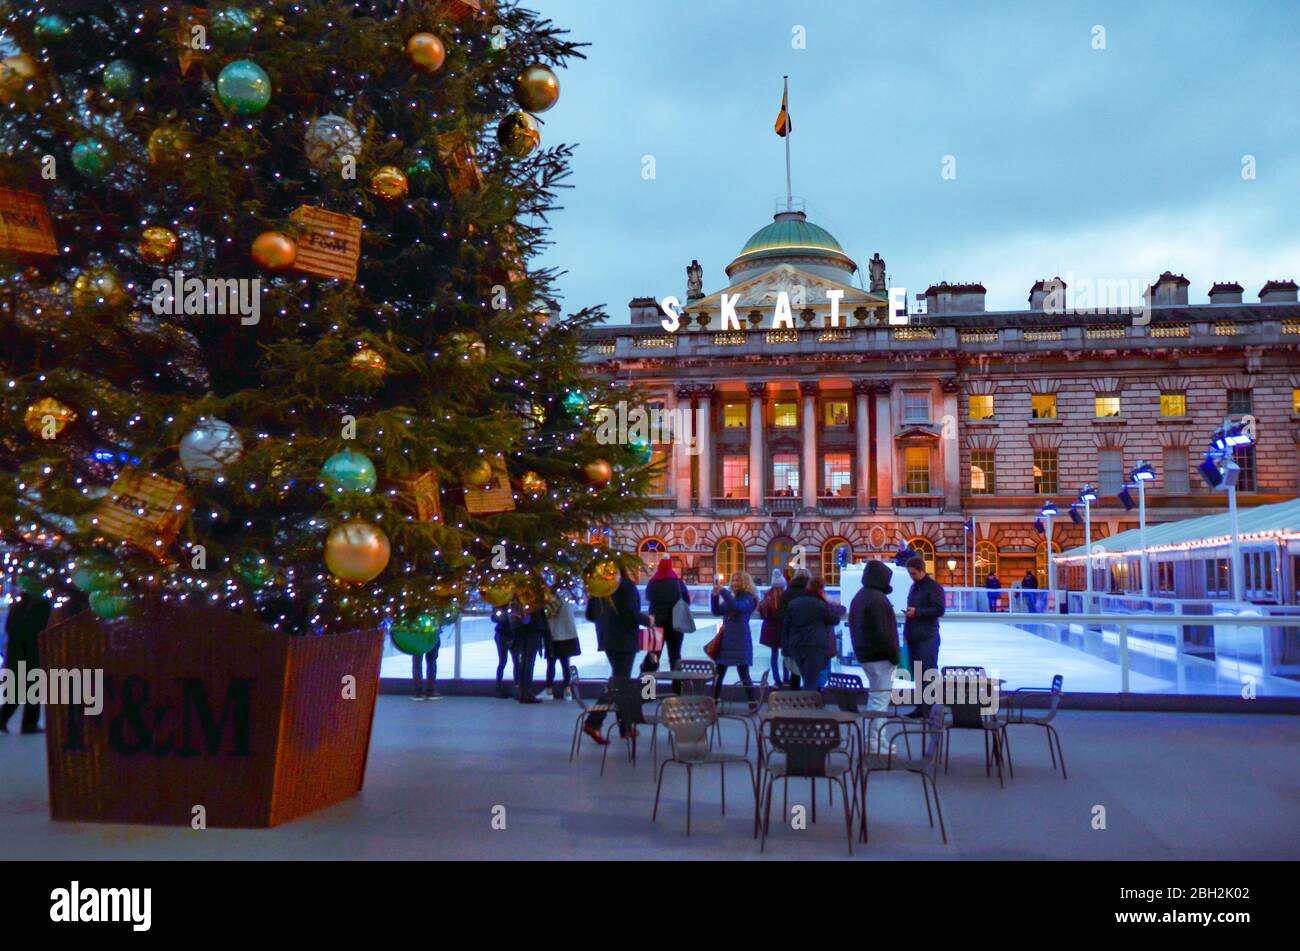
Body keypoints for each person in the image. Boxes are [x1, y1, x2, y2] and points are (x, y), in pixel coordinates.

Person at [583, 565, 651, 745]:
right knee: (618, 683)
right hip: (624, 640)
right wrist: (648, 620)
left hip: (606, 639)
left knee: (621, 682)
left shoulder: (600, 586)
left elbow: (590, 615)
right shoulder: (626, 585)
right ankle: (593, 721)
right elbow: (630, 614)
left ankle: (625, 727)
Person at [848, 560, 900, 752]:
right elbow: (883, 633)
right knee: (879, 702)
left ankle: (877, 739)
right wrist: (894, 655)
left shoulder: (860, 597)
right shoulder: (878, 599)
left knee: (876, 699)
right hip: (880, 657)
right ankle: (875, 743)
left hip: (866, 655)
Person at [780, 569, 844, 689]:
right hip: (815, 646)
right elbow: (834, 619)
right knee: (811, 681)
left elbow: (786, 626)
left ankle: (799, 703)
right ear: (821, 589)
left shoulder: (794, 603)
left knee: (802, 675)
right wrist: (832, 603)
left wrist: (785, 647)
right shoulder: (821, 605)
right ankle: (809, 705)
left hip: (797, 645)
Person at [0, 589, 52, 735]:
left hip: (16, 651)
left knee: (17, 689)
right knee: (32, 688)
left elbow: (9, 628)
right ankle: (29, 723)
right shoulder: (42, 606)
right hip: (31, 651)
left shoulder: (17, 606)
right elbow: (43, 628)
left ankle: (4, 718)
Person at [903, 556, 945, 718]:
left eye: (913, 573)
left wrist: (917, 613)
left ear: (922, 570)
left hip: (927, 637)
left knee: (927, 673)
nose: (911, 576)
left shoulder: (933, 587)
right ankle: (922, 708)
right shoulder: (915, 586)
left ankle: (928, 710)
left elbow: (939, 609)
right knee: (919, 674)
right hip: (916, 636)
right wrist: (907, 633)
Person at [710, 571, 757, 702]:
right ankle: (714, 700)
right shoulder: (734, 597)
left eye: (738, 580)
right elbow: (717, 611)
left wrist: (723, 592)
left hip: (740, 641)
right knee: (719, 673)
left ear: (745, 583)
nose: (735, 583)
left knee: (743, 673)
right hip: (726, 641)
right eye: (734, 581)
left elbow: (737, 608)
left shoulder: (749, 598)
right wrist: (714, 596)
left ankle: (752, 701)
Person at [644, 557, 690, 692]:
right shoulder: (678, 582)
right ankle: (677, 691)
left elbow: (648, 597)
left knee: (652, 656)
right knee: (675, 656)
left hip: (656, 624)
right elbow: (686, 600)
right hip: (676, 624)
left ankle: (647, 693)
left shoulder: (653, 582)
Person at [807, 577, 846, 688]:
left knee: (809, 673)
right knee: (824, 669)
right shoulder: (824, 604)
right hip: (823, 643)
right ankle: (818, 692)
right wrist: (833, 603)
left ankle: (810, 693)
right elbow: (838, 613)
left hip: (806, 644)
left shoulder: (803, 601)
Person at [543, 588, 581, 700]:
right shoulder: (568, 594)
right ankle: (567, 690)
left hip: (554, 635)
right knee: (565, 664)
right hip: (567, 635)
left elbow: (547, 615)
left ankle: (549, 690)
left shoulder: (550, 596)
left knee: (551, 664)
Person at [510, 597, 548, 704]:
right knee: (529, 661)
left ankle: (522, 691)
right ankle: (527, 692)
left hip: (522, 628)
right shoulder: (534, 595)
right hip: (532, 628)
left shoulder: (518, 596)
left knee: (524, 660)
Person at [757, 570, 787, 686]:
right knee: (785, 655)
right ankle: (786, 679)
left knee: (774, 655)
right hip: (783, 629)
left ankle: (777, 680)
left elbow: (762, 613)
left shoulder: (767, 596)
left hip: (771, 629)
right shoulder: (786, 597)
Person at [492, 608, 516, 698]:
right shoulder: (501, 604)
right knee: (505, 661)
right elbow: (494, 617)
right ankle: (499, 688)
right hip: (504, 634)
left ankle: (515, 688)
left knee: (514, 661)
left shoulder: (502, 603)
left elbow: (494, 617)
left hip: (509, 634)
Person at [410, 636, 441, 701]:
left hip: (417, 637)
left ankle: (418, 693)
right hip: (432, 636)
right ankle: (431, 691)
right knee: (431, 662)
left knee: (417, 663)